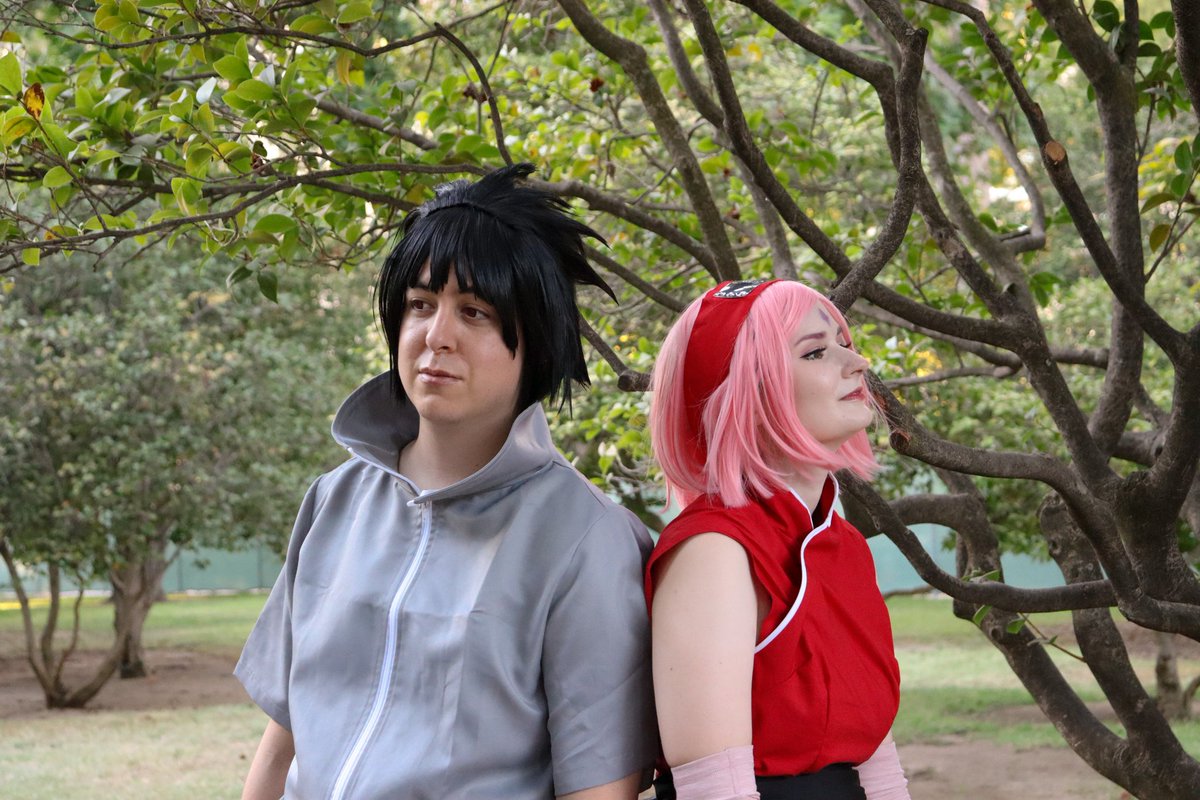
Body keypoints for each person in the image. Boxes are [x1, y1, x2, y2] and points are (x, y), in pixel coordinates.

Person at [235, 163, 657, 800]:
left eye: (476, 312)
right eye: (420, 305)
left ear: (536, 341)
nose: (437, 335)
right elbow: (284, 736)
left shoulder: (588, 539)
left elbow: (599, 788)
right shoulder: (335, 500)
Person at [644, 279, 910, 800]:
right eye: (815, 352)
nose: (857, 364)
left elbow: (874, 755)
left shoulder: (845, 543)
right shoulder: (715, 550)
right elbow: (714, 789)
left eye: (844, 344)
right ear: (749, 390)